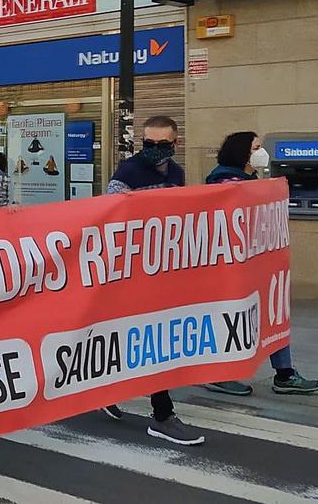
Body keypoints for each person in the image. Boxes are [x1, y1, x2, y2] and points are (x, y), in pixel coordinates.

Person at [101, 116, 203, 446]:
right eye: (148, 144)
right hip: (132, 271)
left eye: (161, 145)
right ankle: (162, 414)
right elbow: (107, 215)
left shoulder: (176, 173)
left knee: (150, 336)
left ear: (176, 144)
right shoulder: (128, 173)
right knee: (152, 338)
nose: (154, 151)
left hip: (162, 269)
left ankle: (106, 387)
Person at [201, 132, 318, 397]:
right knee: (233, 319)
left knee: (274, 315)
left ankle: (285, 373)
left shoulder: (250, 180)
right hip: (231, 269)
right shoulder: (224, 180)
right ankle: (219, 374)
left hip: (257, 264)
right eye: (256, 147)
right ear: (242, 152)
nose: (261, 151)